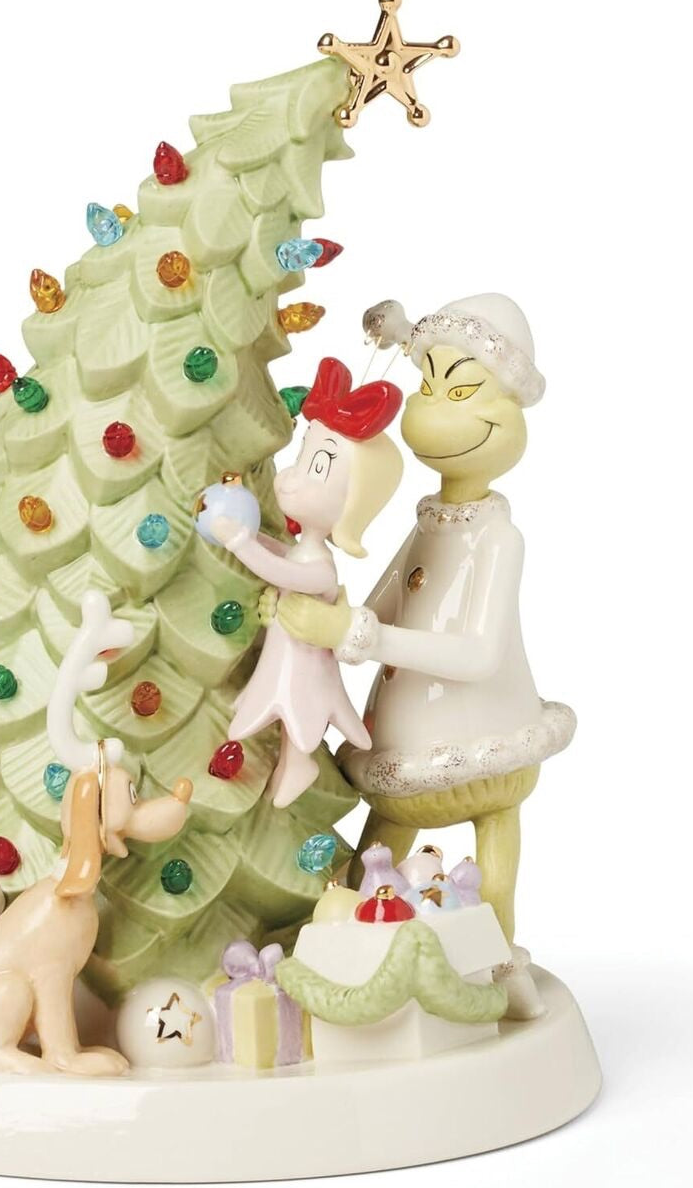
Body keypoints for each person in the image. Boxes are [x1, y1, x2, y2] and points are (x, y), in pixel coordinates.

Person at [276, 295, 575, 940]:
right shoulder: (428, 525)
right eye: (429, 387)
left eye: (460, 390)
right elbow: (383, 601)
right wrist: (328, 605)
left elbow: (476, 653)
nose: (433, 407)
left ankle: (497, 953)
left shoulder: (498, 540)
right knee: (370, 861)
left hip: (483, 739)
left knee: (494, 863)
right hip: (401, 747)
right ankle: (347, 944)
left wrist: (358, 634)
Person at [211, 357, 403, 808]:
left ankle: (300, 762)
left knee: (299, 705)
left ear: (351, 505)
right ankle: (291, 762)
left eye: (317, 468)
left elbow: (284, 572)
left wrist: (241, 543)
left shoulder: (321, 569)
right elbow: (282, 556)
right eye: (302, 459)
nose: (291, 478)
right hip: (285, 652)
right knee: (278, 699)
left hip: (304, 662)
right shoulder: (303, 552)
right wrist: (250, 536)